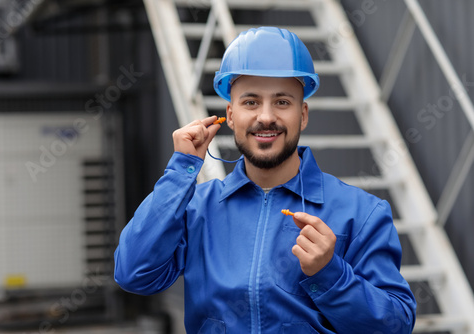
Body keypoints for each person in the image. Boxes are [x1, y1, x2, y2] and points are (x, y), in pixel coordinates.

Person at [114, 27, 416, 333]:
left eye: (282, 102)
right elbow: (133, 274)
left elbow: (396, 326)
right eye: (251, 102)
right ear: (230, 115)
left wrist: (330, 275)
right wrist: (181, 170)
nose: (266, 117)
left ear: (303, 114)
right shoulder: (196, 210)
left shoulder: (361, 213)